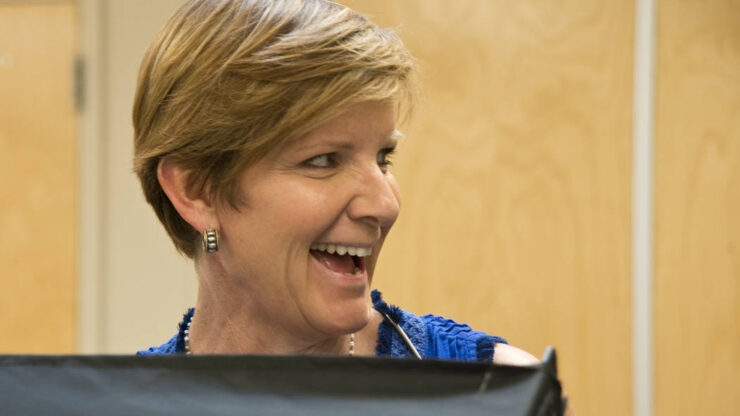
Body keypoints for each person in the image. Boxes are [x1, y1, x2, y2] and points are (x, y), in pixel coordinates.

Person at [134, 0, 539, 365]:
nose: (385, 205)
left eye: (383, 158)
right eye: (323, 161)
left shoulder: (501, 395)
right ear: (197, 192)